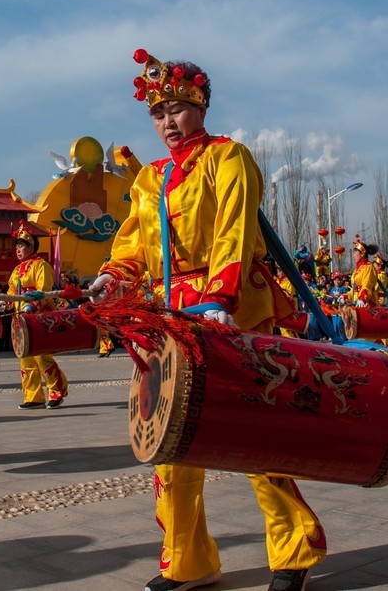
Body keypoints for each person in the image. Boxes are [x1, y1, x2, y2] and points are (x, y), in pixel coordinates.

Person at [89, 48, 323, 591]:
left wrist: (221, 294)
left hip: (234, 305)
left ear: (200, 107)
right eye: (156, 112)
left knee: (254, 435)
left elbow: (236, 231)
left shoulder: (228, 157)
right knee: (173, 443)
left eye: (176, 108)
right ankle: (187, 561)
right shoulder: (150, 179)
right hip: (171, 315)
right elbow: (136, 248)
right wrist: (115, 278)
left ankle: (293, 551)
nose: (167, 121)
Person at [0, 221, 68, 409]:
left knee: (42, 357)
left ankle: (57, 390)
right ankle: (33, 396)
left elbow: (43, 290)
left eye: (22, 245)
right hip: (21, 318)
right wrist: (5, 303)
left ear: (31, 246)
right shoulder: (16, 270)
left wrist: (32, 305)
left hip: (39, 316)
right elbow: (12, 291)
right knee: (26, 358)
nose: (18, 249)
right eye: (17, 246)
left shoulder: (41, 265)